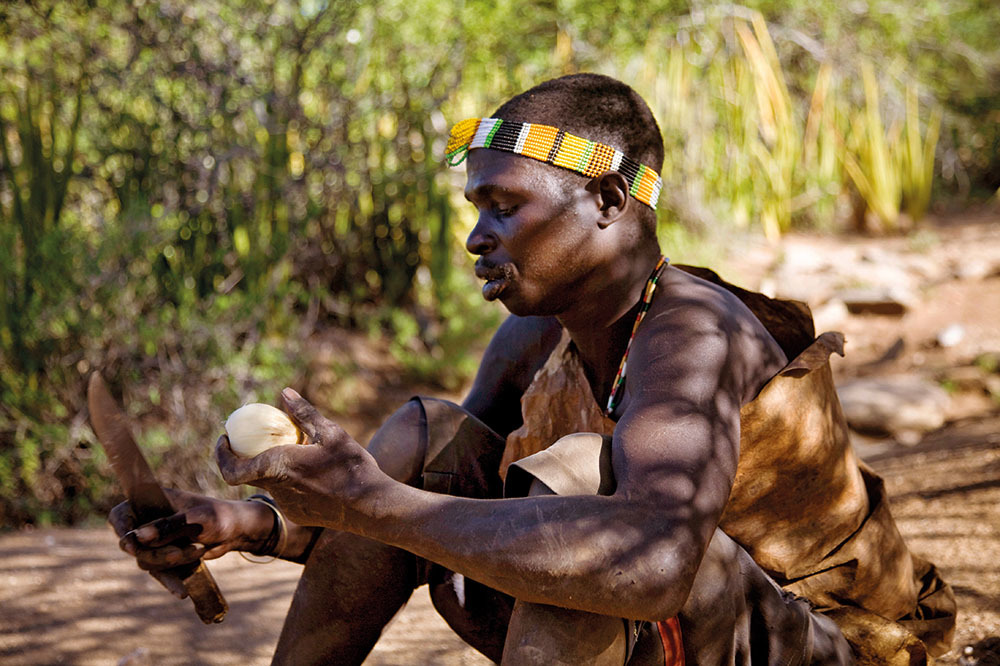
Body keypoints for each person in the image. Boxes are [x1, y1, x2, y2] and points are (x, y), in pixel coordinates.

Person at [111, 73, 954, 665]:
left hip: (820, 645)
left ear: (608, 202)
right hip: (660, 628)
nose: (478, 237)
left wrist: (375, 504)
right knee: (425, 438)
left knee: (580, 499)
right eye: (476, 209)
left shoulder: (692, 333)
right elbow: (406, 524)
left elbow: (656, 561)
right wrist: (253, 523)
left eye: (504, 207)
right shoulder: (534, 337)